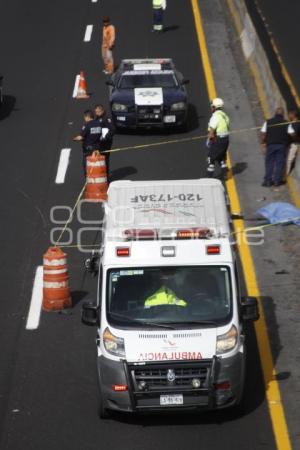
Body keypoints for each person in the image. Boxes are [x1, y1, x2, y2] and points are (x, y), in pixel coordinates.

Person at [260, 107, 293, 187]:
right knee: (279, 163)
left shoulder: (268, 122)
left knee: (269, 163)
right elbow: (292, 134)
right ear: (283, 115)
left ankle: (268, 181)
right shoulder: (287, 123)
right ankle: (277, 181)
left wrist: (263, 143)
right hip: (282, 146)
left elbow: (263, 133)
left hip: (271, 145)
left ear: (275, 113)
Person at [73, 110, 103, 175]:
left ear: (87, 117)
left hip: (88, 149)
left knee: (86, 164)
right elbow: (101, 134)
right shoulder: (99, 124)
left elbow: (81, 137)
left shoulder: (86, 125)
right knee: (97, 164)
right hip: (97, 147)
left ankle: (88, 178)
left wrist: (75, 139)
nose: (84, 119)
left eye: (84, 117)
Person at [206, 98, 230, 179]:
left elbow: (212, 131)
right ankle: (225, 174)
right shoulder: (225, 116)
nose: (211, 107)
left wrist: (209, 140)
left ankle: (209, 177)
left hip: (218, 140)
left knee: (210, 158)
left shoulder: (215, 117)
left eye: (212, 106)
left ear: (214, 107)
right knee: (221, 156)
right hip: (225, 140)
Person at [94, 104, 114, 177]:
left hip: (106, 142)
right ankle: (100, 174)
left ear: (102, 110)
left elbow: (112, 130)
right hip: (99, 142)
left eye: (98, 112)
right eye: (95, 112)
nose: (96, 113)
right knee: (99, 158)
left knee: (105, 159)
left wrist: (105, 137)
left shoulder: (107, 118)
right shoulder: (97, 118)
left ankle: (106, 176)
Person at [286, 109, 300, 175]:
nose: (288, 115)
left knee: (289, 159)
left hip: (295, 144)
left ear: (294, 115)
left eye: (290, 114)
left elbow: (294, 134)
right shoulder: (291, 123)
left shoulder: (297, 124)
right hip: (291, 143)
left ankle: (287, 173)